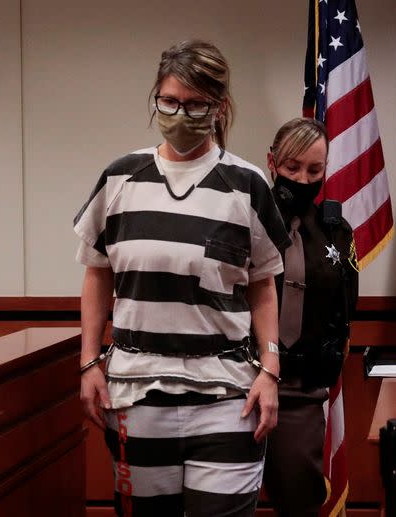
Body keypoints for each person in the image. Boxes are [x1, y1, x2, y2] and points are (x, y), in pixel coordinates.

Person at [73, 40, 291, 517]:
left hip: (227, 394)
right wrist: (89, 361)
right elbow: (97, 274)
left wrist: (270, 370)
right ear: (156, 98)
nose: (180, 114)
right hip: (136, 393)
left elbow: (263, 284)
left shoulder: (246, 184)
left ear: (220, 107)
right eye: (169, 102)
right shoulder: (120, 179)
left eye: (196, 105)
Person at [261, 118, 359, 517]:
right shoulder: (249, 220)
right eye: (292, 168)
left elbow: (345, 309)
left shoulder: (337, 232)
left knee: (299, 504)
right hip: (236, 384)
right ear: (271, 163)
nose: (303, 179)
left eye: (315, 170)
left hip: (301, 392)